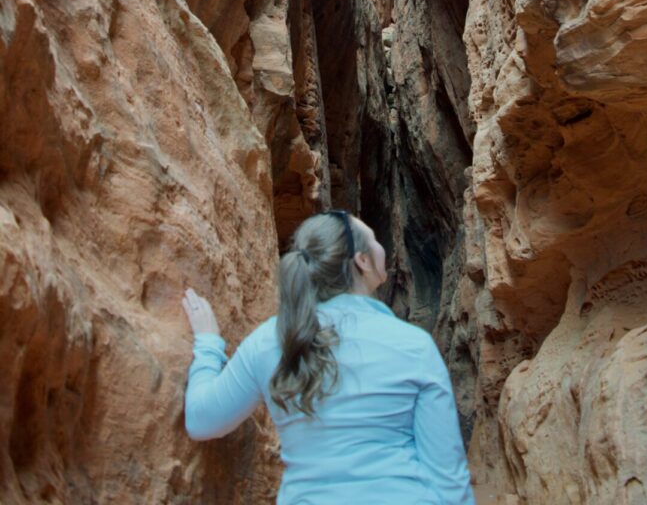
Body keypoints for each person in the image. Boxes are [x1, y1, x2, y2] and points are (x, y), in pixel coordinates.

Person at [182, 210, 475, 504]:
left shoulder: (271, 340)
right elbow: (449, 484)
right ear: (362, 260)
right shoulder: (415, 346)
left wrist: (208, 344)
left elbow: (201, 421)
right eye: (373, 239)